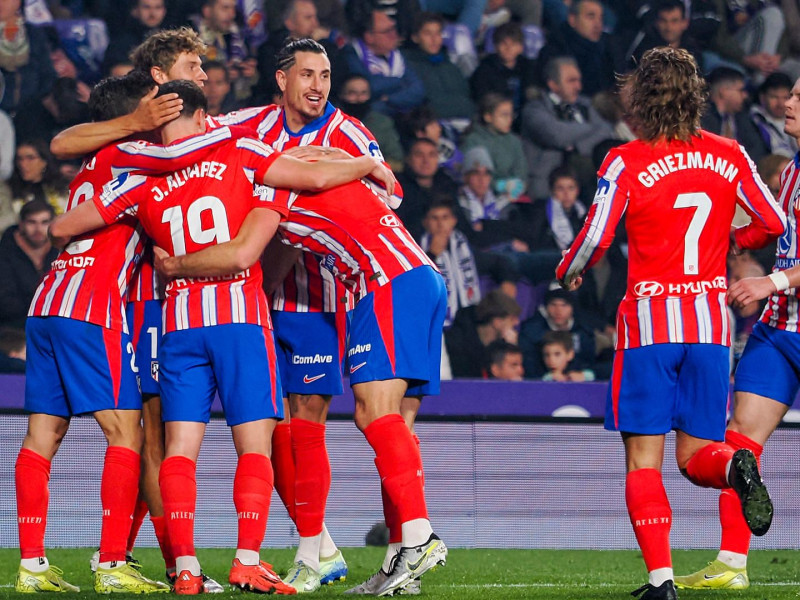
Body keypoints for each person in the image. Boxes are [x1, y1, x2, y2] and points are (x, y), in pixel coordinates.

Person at [47, 79, 396, 596]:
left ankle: (185, 567)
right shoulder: (237, 148)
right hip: (239, 318)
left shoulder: (142, 171)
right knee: (253, 446)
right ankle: (247, 561)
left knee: (180, 450)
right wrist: (365, 164)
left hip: (179, 322)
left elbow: (63, 226)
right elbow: (312, 177)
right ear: (204, 113)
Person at [145, 92, 449, 598]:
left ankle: (417, 536)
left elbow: (244, 252)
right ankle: (401, 559)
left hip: (386, 281)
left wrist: (175, 268)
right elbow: (325, 168)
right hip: (414, 275)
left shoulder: (263, 183)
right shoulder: (306, 157)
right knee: (395, 419)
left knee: (375, 414)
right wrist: (370, 164)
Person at [555, 47, 785, 600]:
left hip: (649, 326)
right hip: (710, 324)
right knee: (696, 456)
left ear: (644, 95)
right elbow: (772, 220)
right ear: (695, 95)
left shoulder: (626, 159)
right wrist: (731, 239)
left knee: (644, 459)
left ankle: (661, 581)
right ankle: (736, 470)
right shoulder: (729, 153)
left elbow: (595, 238)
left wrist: (569, 272)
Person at [12, 75, 198, 595]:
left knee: (41, 437)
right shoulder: (140, 160)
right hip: (92, 311)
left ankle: (31, 567)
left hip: (47, 301)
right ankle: (112, 563)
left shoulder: (92, 165)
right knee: (129, 435)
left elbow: (66, 146)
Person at [674, 74, 800, 591]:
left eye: (798, 96)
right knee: (739, 443)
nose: (786, 102)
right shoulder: (790, 171)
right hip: (777, 331)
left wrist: (767, 281)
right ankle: (731, 564)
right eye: (789, 94)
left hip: (777, 304)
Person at [521, 56, 613, 200]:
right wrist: (590, 129)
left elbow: (606, 133)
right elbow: (557, 136)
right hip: (547, 186)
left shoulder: (585, 105)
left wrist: (575, 145)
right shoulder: (534, 109)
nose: (578, 86)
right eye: (571, 81)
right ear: (553, 84)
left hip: (586, 181)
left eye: (578, 80)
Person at [341, 9, 426, 116]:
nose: (394, 35)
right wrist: (401, 82)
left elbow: (418, 90)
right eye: (387, 31)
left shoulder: (398, 56)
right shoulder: (352, 55)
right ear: (369, 37)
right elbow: (369, 87)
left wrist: (389, 99)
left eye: (394, 29)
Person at [0, 200, 57, 329]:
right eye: (32, 222)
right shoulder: (6, 251)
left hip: (54, 324)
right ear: (21, 224)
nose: (38, 229)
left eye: (44, 222)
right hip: (11, 328)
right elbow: (5, 301)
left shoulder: (60, 249)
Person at [701, 67, 768, 163]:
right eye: (740, 90)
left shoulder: (743, 117)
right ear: (724, 92)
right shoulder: (702, 118)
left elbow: (757, 148)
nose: (745, 95)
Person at [9, 140, 69, 215]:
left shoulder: (63, 189)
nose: (23, 164)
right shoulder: (9, 191)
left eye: (30, 158)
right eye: (20, 159)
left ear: (44, 161)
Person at [750, 72, 798, 158]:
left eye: (785, 97)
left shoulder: (796, 118)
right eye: (774, 97)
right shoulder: (752, 121)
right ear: (762, 98)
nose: (780, 104)